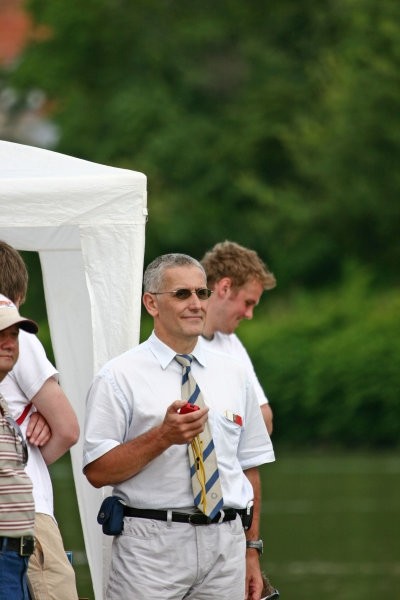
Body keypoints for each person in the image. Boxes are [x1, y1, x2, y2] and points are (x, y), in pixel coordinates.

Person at [83, 253, 275, 600]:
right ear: (151, 303)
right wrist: (163, 436)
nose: (196, 304)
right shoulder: (118, 376)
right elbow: (97, 471)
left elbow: (250, 469)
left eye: (202, 294)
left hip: (226, 545)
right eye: (183, 294)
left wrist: (251, 550)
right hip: (151, 545)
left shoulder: (235, 373)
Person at [0, 241, 80, 600]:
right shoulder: (21, 339)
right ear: (18, 294)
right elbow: (67, 428)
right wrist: (21, 463)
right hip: (25, 511)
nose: (11, 341)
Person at [200, 241, 277, 435]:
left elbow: (264, 420)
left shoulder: (231, 343)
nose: (249, 314)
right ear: (225, 287)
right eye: (248, 303)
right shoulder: (178, 340)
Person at [0, 294, 38, 599]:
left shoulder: (3, 405)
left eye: (13, 334)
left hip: (15, 559)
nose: (9, 342)